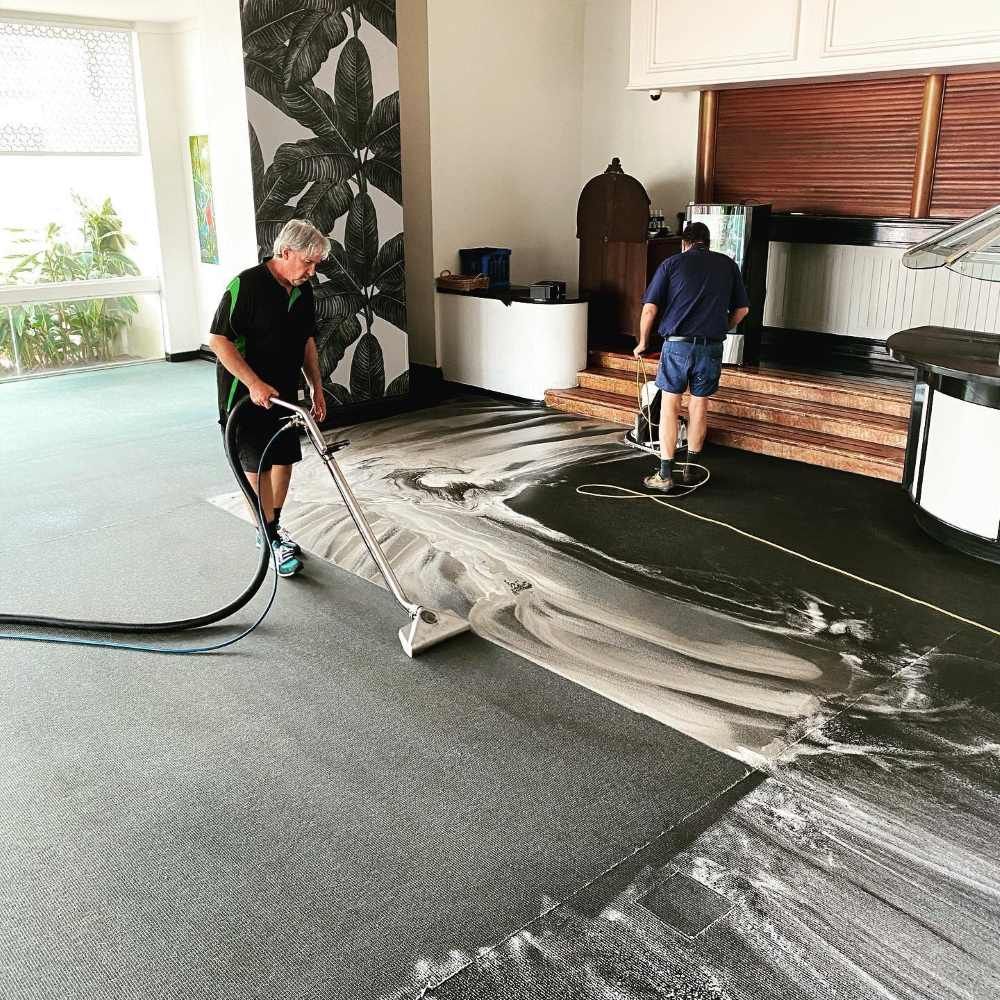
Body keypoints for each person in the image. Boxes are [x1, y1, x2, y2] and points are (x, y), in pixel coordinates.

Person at [209, 219, 328, 577]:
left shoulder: (302, 290)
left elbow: (307, 340)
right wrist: (253, 383)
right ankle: (271, 535)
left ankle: (272, 527)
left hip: (284, 392)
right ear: (285, 252)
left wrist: (316, 386)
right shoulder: (246, 285)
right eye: (307, 262)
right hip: (244, 395)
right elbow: (218, 340)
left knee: (283, 459)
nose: (311, 271)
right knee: (255, 465)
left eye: (316, 265)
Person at [633, 221, 749, 492]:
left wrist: (642, 342)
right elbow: (742, 310)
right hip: (711, 347)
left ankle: (665, 474)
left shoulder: (672, 264)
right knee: (699, 406)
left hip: (677, 346)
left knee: (670, 407)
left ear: (685, 243)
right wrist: (722, 328)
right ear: (708, 243)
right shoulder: (727, 265)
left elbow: (650, 309)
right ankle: (690, 470)